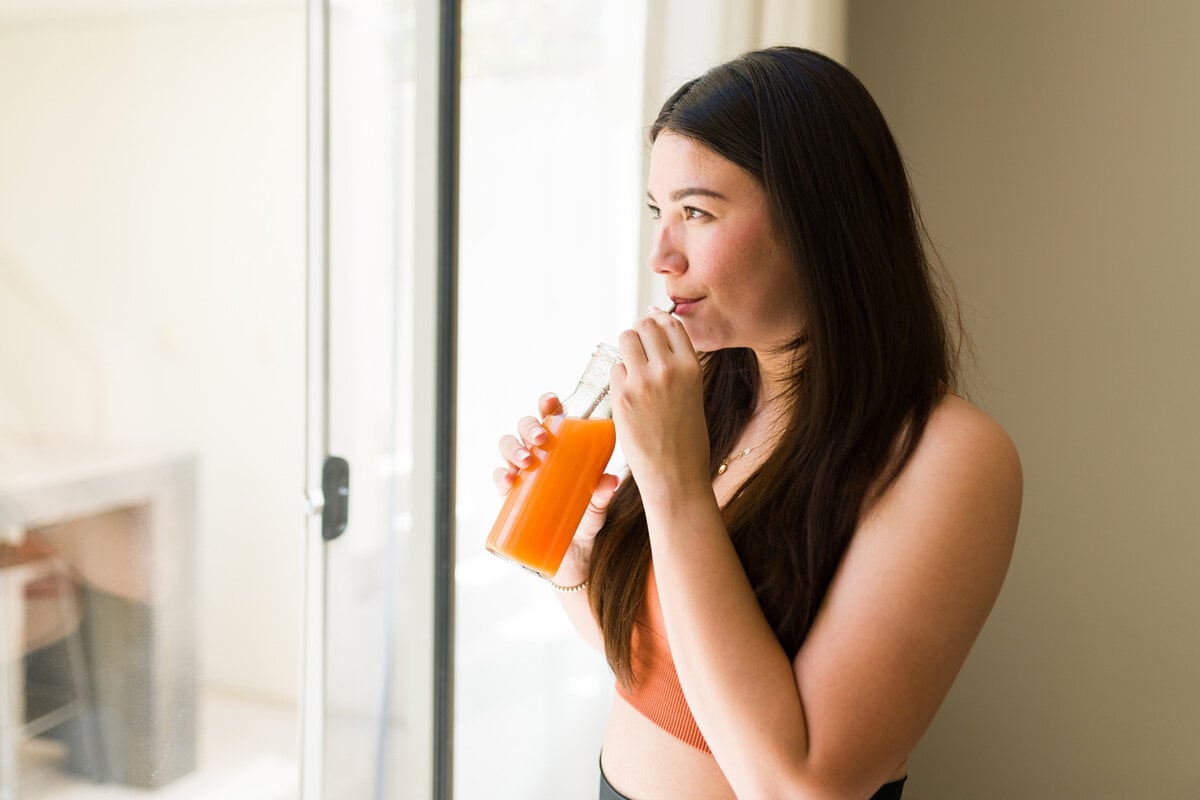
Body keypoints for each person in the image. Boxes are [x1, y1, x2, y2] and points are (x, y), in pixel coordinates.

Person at [494, 46, 1021, 800]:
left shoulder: (950, 457)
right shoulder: (711, 391)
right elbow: (656, 673)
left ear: (817, 221)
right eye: (658, 212)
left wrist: (675, 485)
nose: (661, 256)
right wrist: (577, 552)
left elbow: (800, 786)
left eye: (697, 212)